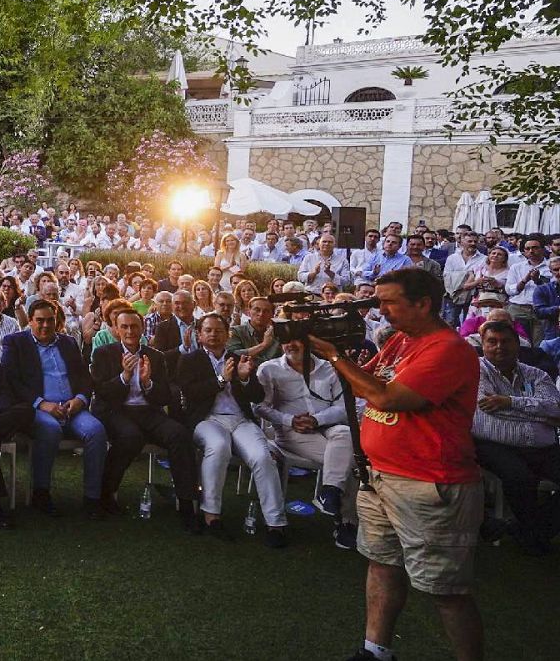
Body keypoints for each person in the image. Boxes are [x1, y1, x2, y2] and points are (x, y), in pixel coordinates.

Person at [315, 268, 484, 661]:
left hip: (428, 484)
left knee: (447, 590)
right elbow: (365, 383)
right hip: (380, 476)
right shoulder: (401, 341)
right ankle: (376, 650)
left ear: (423, 303)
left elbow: (387, 397)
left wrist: (334, 354)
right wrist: (343, 354)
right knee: (382, 564)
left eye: (388, 302)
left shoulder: (447, 349)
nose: (381, 310)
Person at [174, 313, 290, 546]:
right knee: (218, 447)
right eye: (208, 330)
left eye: (218, 330)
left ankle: (275, 523)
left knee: (262, 456)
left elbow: (257, 397)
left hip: (240, 420)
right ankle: (211, 515)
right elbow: (191, 393)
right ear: (200, 334)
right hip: (207, 419)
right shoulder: (190, 359)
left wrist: (246, 379)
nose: (213, 335)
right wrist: (221, 379)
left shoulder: (240, 358)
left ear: (227, 334)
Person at [89, 308, 201, 531]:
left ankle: (186, 502)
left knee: (179, 434)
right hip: (116, 411)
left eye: (134, 326)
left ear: (142, 328)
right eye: (125, 326)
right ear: (116, 329)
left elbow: (165, 397)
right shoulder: (104, 353)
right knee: (131, 437)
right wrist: (125, 377)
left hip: (148, 412)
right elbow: (101, 392)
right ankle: (106, 493)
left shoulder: (155, 356)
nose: (130, 331)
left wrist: (148, 383)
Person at [0, 300, 108, 517]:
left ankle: (92, 497)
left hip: (72, 407)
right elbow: (11, 381)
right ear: (30, 321)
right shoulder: (15, 342)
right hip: (38, 408)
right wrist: (41, 404)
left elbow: (84, 377)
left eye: (50, 320)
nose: (45, 325)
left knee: (96, 431)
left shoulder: (68, 342)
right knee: (50, 429)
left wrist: (80, 399)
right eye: (39, 320)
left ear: (56, 320)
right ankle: (41, 493)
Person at [254, 334, 358, 548]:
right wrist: (289, 420)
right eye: (286, 340)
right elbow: (259, 407)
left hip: (327, 426)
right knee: (349, 461)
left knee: (345, 434)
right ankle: (346, 521)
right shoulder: (269, 369)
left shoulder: (330, 368)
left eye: (297, 339)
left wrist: (317, 419)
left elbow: (343, 406)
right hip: (292, 433)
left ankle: (329, 492)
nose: (290, 344)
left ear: (309, 342)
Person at [470, 319, 560, 556]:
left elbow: (556, 408)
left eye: (506, 341)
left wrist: (507, 402)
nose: (499, 347)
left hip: (541, 446)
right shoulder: (474, 369)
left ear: (517, 344)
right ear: (483, 344)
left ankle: (526, 529)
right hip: (494, 444)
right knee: (520, 477)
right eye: (492, 341)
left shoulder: (536, 374)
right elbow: (484, 406)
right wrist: (538, 414)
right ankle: (534, 535)